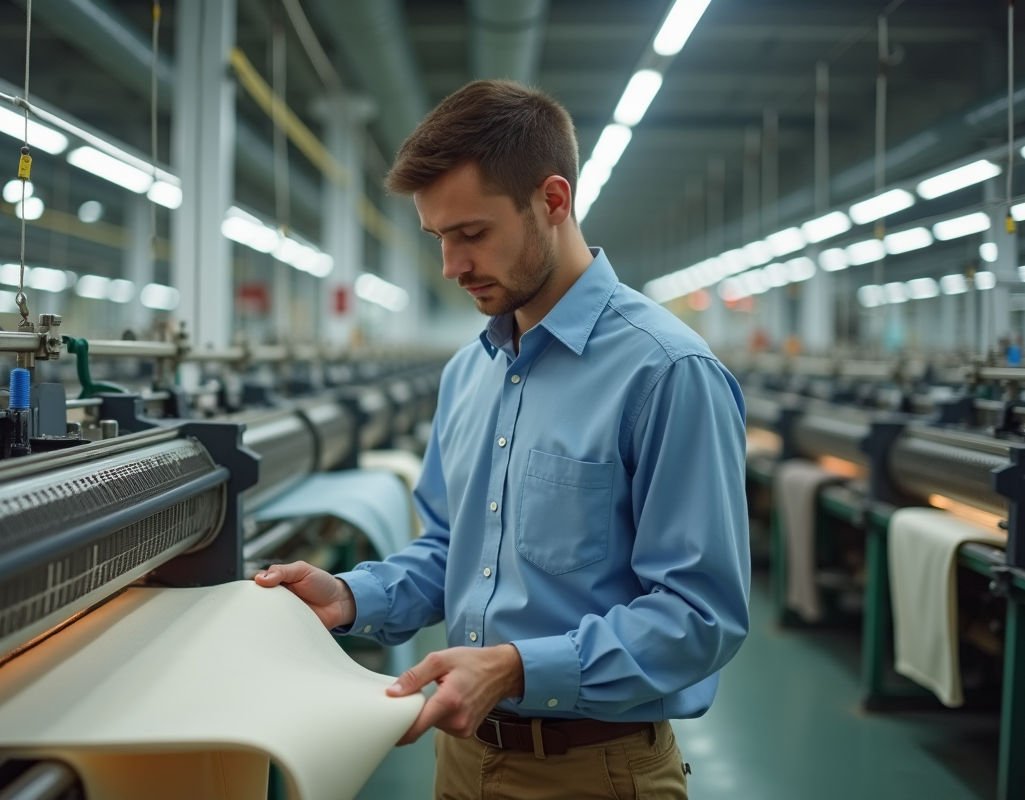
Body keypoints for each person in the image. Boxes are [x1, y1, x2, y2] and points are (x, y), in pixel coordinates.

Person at [255, 79, 751, 800]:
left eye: (472, 233)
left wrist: (518, 667)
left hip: (596, 771)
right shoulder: (470, 374)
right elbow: (450, 549)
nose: (451, 267)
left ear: (552, 201)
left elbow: (700, 618)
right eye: (439, 238)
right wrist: (348, 597)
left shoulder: (667, 372)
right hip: (463, 761)